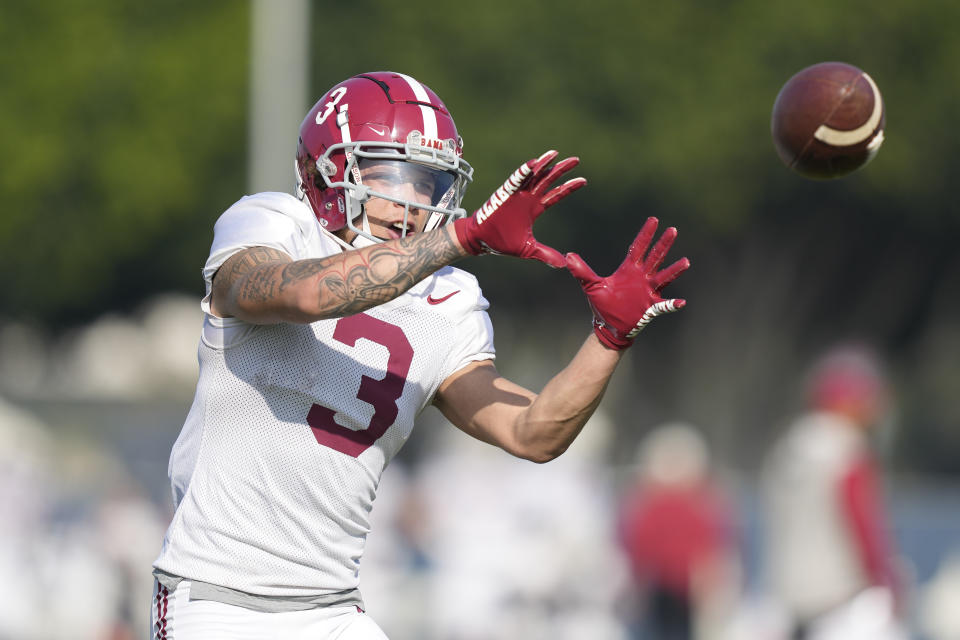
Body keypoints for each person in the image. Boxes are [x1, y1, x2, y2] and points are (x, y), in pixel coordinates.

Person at [150, 71, 690, 639]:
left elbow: (534, 433)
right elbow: (302, 294)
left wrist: (609, 339)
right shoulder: (274, 224)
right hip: (216, 599)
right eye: (389, 174)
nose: (409, 202)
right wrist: (462, 237)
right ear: (328, 170)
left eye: (428, 184)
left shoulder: (448, 299)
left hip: (332, 609)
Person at [761, 344, 908, 640]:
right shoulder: (846, 447)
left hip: (785, 601)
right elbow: (861, 524)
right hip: (841, 604)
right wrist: (887, 580)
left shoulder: (788, 443)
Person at [617, 422, 740, 640]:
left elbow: (715, 542)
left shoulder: (697, 500)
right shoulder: (659, 502)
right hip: (664, 584)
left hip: (686, 586)